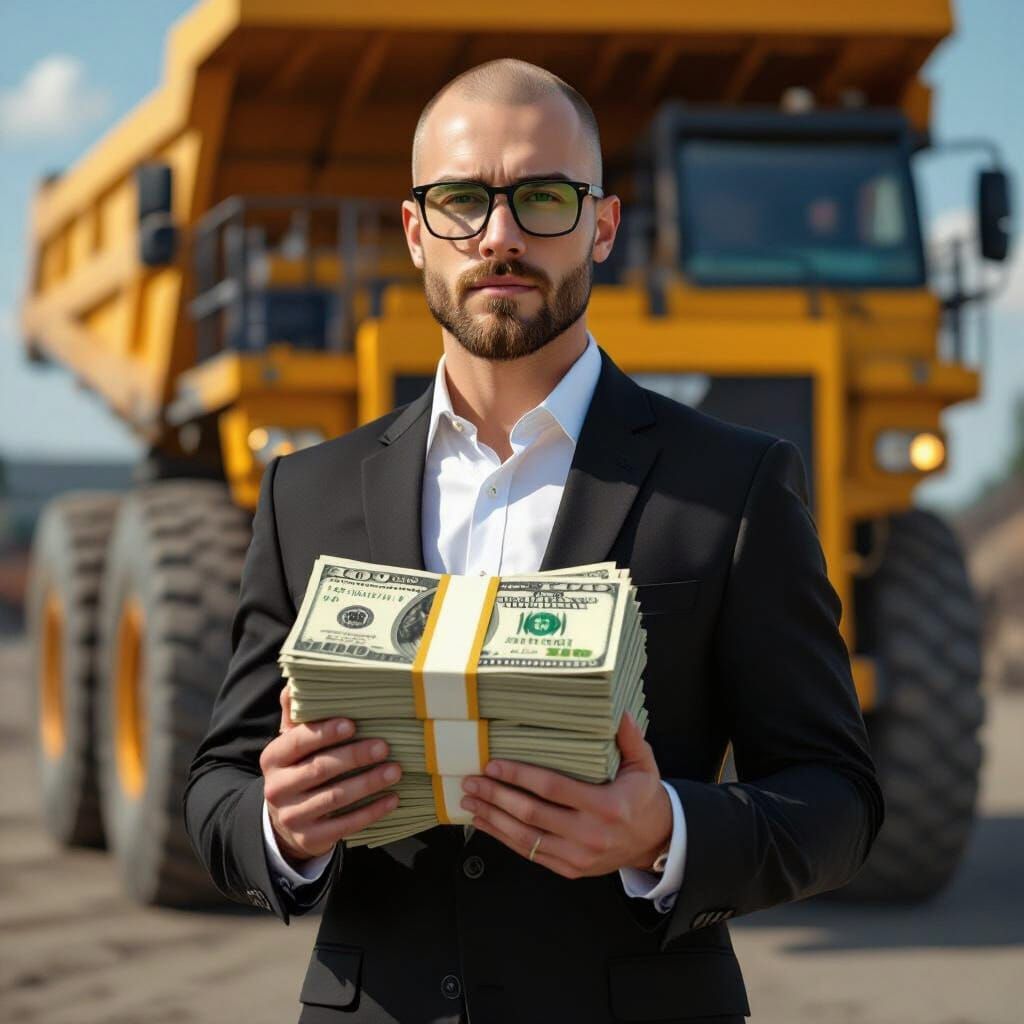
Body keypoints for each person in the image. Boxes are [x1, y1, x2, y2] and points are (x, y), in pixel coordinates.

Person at [184, 58, 884, 1024]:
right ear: (415, 230)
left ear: (602, 224)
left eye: (543, 199)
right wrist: (281, 826)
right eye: (463, 200)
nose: (500, 236)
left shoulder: (735, 486)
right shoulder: (306, 493)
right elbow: (218, 781)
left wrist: (668, 832)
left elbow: (838, 798)